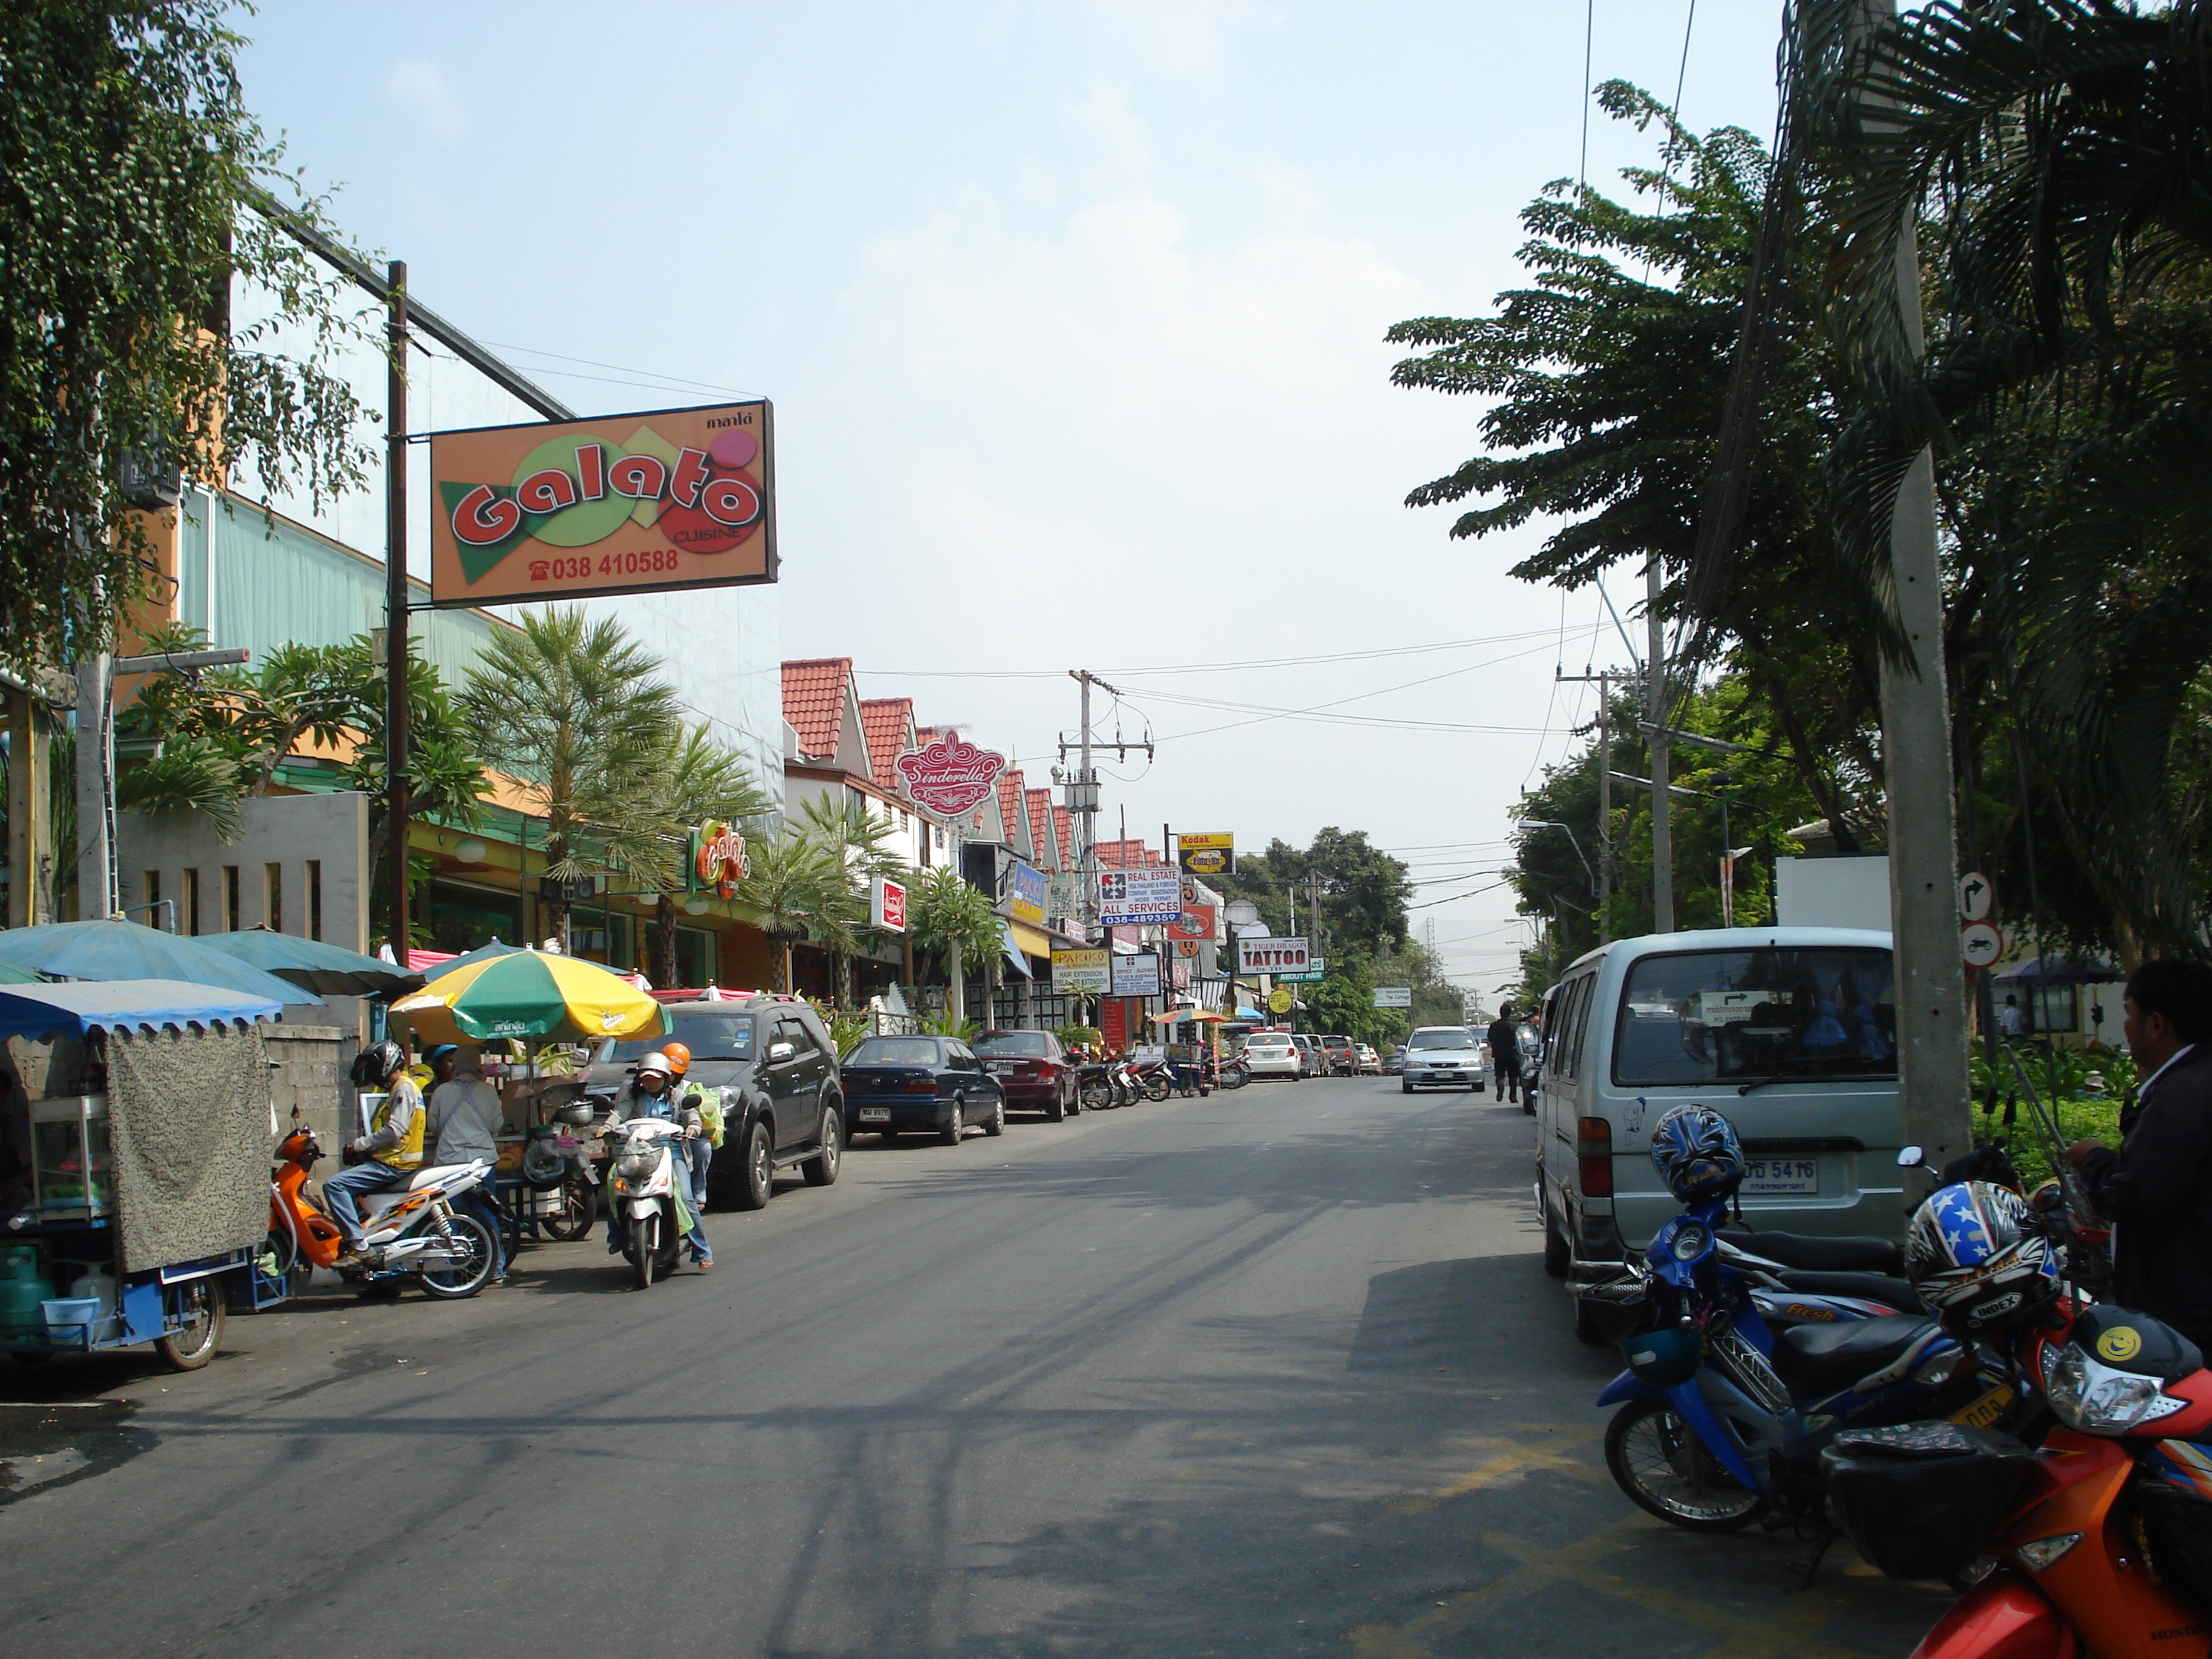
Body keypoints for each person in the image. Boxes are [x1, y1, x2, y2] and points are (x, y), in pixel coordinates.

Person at [2068, 959, 2212, 1351]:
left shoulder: (2180, 1098)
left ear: (2155, 1024)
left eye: (2129, 1013)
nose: (2126, 1027)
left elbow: (2140, 1197)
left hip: (2188, 1312)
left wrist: (2093, 1160)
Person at [603, 1050, 711, 1269]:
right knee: (613, 1184)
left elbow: (692, 1115)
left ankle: (701, 1250)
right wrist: (605, 1128)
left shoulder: (678, 1098)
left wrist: (693, 1127)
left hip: (671, 1154)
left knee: (687, 1199)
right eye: (646, 1079)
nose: (651, 1083)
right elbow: (618, 1114)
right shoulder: (633, 1098)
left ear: (666, 1078)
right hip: (638, 1154)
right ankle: (615, 1237)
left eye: (656, 1079)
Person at [326, 1040, 423, 1262]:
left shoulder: (404, 1088)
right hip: (392, 1160)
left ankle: (359, 1246)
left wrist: (360, 1144)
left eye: (373, 1067)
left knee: (334, 1185)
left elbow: (394, 1130)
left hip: (393, 1164)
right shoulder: (401, 1089)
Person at [423, 1043, 508, 1285]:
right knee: (486, 1213)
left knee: (451, 1216)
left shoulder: (442, 1092)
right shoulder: (488, 1092)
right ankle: (496, 1269)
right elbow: (496, 1126)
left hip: (450, 1164)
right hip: (483, 1163)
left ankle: (448, 1274)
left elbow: (434, 1127)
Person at [662, 1042, 723, 1217]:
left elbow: (692, 1114)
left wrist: (693, 1127)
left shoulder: (687, 1090)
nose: (670, 1076)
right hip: (654, 1138)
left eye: (675, 1072)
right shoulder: (643, 1089)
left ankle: (697, 1195)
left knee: (703, 1148)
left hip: (681, 1139)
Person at [1488, 1004, 1524, 1105]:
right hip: (1512, 1054)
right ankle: (1513, 1097)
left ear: (1500, 1013)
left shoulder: (1494, 1025)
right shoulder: (1514, 1026)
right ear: (1510, 1013)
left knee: (1500, 1075)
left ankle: (1500, 1090)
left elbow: (1490, 1038)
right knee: (1513, 1076)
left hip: (1499, 1054)